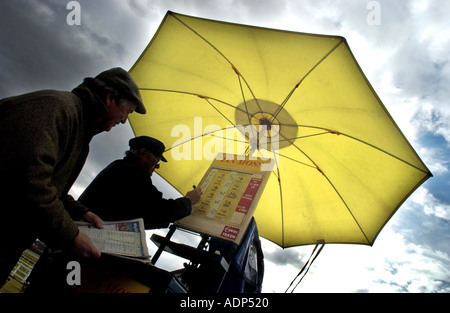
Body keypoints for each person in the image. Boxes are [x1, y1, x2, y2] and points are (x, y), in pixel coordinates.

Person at [0, 67, 146, 287]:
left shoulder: (78, 129)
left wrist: (80, 212)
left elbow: (50, 185)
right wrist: (71, 235)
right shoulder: (54, 109)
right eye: (128, 111)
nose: (125, 121)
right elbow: (29, 182)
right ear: (109, 98)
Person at [78, 136, 202, 229]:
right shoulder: (134, 172)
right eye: (156, 162)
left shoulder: (120, 165)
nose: (157, 167)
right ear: (142, 153)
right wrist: (188, 201)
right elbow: (157, 210)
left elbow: (141, 214)